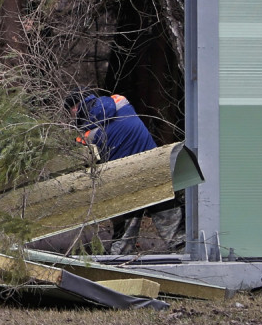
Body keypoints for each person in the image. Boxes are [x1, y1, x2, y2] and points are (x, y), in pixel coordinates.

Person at [65, 90, 185, 254]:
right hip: (154, 165)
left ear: (74, 109)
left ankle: (120, 254)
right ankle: (182, 246)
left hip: (126, 178)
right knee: (166, 212)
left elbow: (84, 161)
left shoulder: (88, 136)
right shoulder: (119, 101)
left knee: (126, 221)